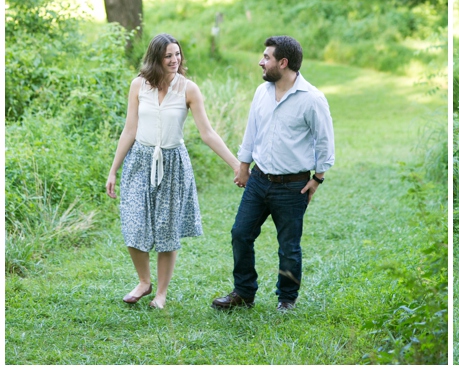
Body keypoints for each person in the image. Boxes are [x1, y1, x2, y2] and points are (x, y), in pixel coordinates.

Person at [106, 33, 241, 309]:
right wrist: (113, 170)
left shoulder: (188, 89)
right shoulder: (138, 86)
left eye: (177, 54)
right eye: (168, 55)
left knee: (167, 231)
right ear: (156, 58)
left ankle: (161, 293)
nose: (174, 60)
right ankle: (144, 282)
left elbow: (207, 133)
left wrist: (236, 164)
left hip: (172, 163)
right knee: (133, 222)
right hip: (139, 161)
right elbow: (129, 129)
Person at [212, 35, 335, 312]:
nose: (260, 61)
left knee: (288, 246)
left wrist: (318, 178)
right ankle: (243, 293)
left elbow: (325, 141)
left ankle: (286, 299)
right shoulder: (261, 93)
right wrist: (243, 166)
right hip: (258, 180)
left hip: (293, 186)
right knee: (240, 233)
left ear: (283, 62)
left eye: (266, 57)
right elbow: (251, 131)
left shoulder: (312, 99)